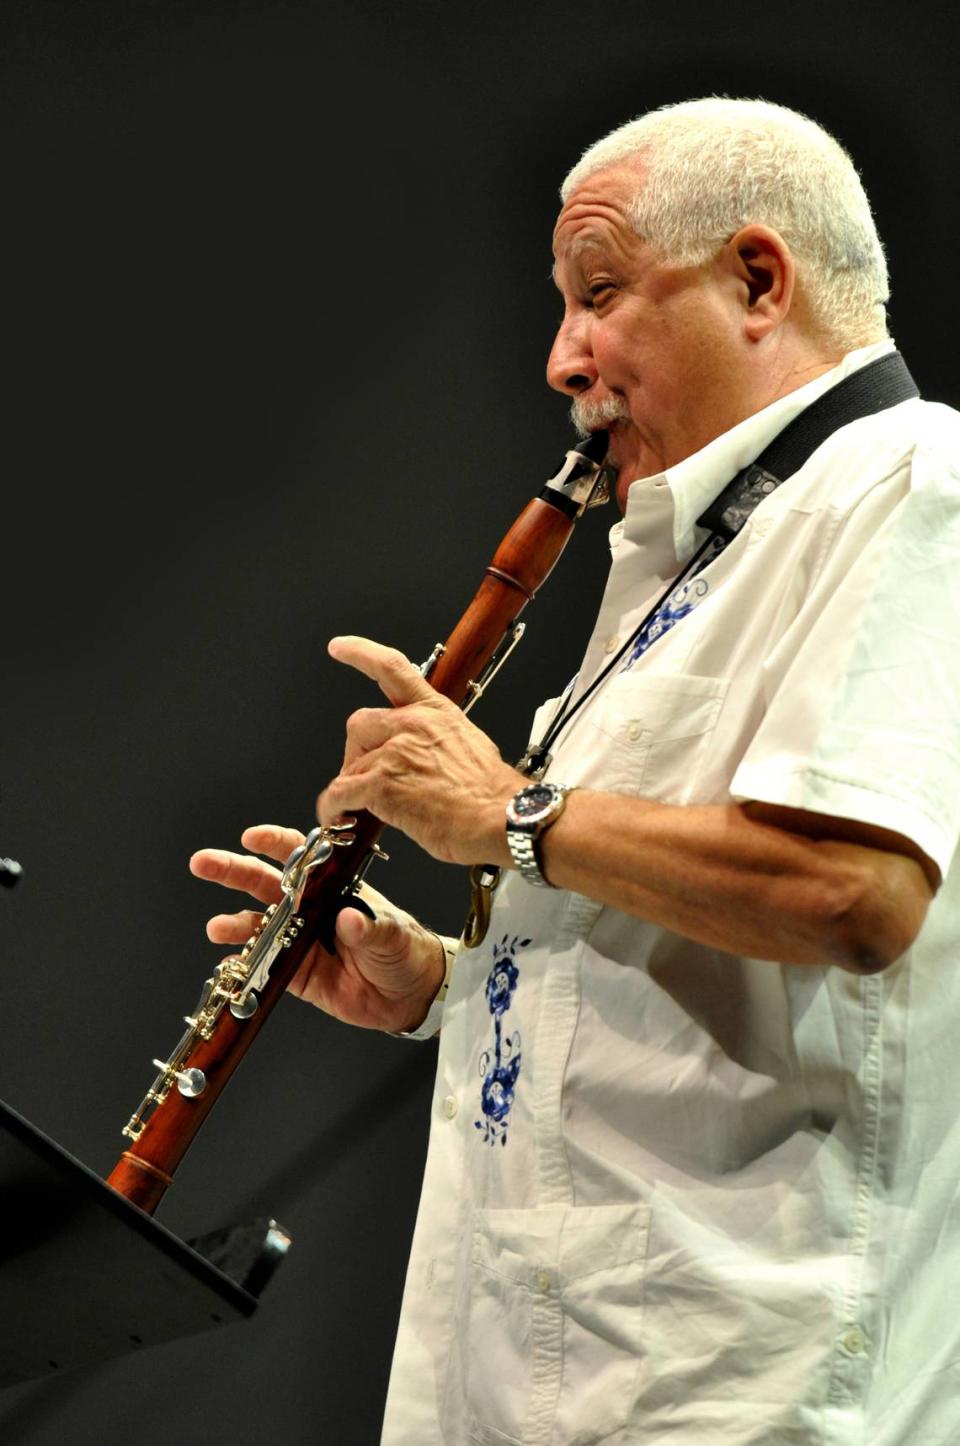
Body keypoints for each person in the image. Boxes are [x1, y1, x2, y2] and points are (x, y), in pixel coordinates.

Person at [191, 98, 960, 1443]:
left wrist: (505, 810)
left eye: (597, 294)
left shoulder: (913, 482)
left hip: (740, 1393)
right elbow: (666, 919)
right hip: (561, 1374)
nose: (562, 358)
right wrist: (445, 978)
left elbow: (851, 887)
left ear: (759, 280)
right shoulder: (695, 550)